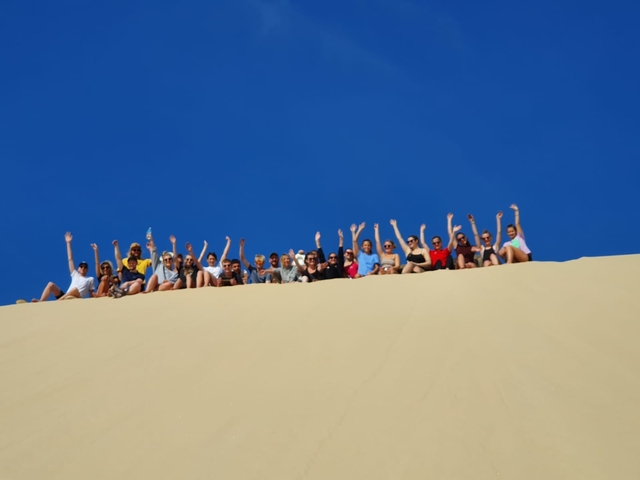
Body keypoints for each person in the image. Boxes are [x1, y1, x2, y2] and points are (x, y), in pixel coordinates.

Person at [32, 232, 96, 302]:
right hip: (66, 296)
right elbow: (70, 259)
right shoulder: (75, 274)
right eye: (81, 266)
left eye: (85, 267)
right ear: (78, 268)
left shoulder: (90, 279)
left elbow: (91, 293)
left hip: (77, 298)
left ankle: (58, 302)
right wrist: (68, 243)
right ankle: (41, 301)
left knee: (74, 289)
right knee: (51, 284)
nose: (83, 268)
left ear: (87, 270)